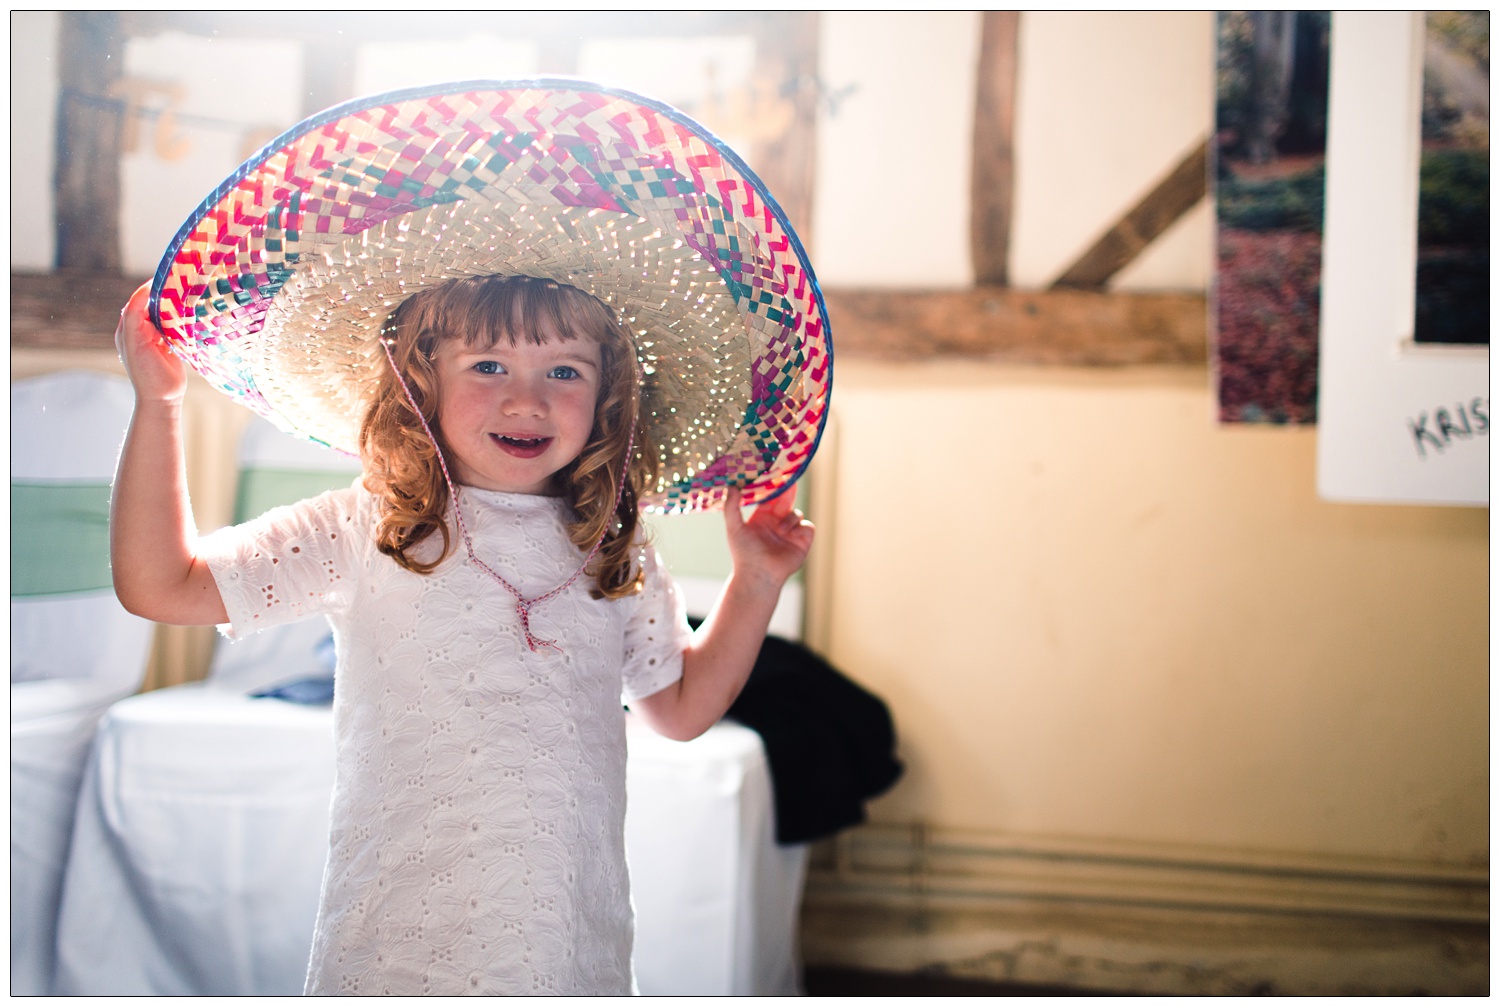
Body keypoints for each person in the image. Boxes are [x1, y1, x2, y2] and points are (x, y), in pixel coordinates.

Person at [109, 272, 814, 995]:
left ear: (607, 396)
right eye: (488, 365)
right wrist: (158, 403)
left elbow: (682, 708)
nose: (527, 399)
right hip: (397, 930)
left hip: (564, 935)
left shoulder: (612, 544)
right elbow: (161, 583)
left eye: (565, 370)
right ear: (421, 379)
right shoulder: (367, 525)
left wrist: (756, 581)